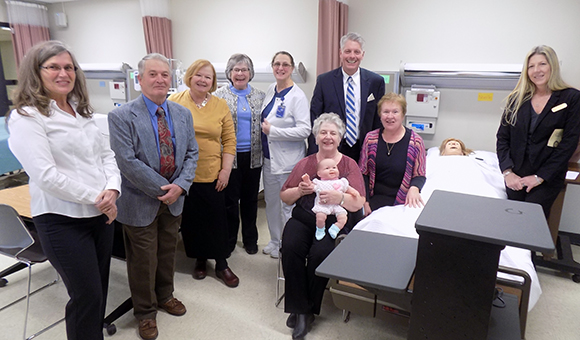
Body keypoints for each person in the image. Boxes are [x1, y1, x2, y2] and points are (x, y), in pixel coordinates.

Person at [7, 40, 121, 340]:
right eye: (54, 67)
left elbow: (107, 156)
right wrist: (98, 199)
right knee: (86, 296)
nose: (63, 73)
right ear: (36, 71)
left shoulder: (81, 112)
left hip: (100, 216)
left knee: (99, 293)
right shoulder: (26, 117)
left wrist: (113, 190)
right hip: (61, 220)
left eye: (68, 67)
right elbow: (45, 175)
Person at [108, 53, 198, 340]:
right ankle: (145, 313)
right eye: (153, 74)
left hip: (175, 199)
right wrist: (165, 190)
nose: (160, 79)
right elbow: (127, 161)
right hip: (139, 200)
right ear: (140, 79)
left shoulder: (182, 113)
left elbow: (192, 153)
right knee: (143, 259)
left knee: (167, 251)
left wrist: (180, 186)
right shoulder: (121, 116)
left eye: (164, 75)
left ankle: (165, 295)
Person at [280, 113, 365, 340]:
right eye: (323, 132)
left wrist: (339, 197)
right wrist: (300, 191)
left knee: (320, 254)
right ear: (316, 137)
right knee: (290, 248)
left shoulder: (349, 165)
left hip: (333, 223)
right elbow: (285, 197)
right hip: (303, 218)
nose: (328, 137)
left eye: (333, 133)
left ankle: (303, 310)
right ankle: (303, 311)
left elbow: (358, 203)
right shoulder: (306, 163)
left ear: (340, 138)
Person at [168, 59, 240, 287]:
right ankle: (199, 259)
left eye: (208, 77)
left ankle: (221, 264)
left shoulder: (220, 105)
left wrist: (225, 170)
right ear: (190, 76)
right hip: (184, 175)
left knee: (217, 219)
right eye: (199, 75)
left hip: (212, 172)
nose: (203, 80)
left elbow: (229, 140)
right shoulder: (174, 101)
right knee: (192, 220)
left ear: (213, 81)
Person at [496, 45, 580, 218]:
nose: (536, 70)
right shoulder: (517, 99)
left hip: (548, 175)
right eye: (531, 66)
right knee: (510, 220)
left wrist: (540, 177)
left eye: (542, 64)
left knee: (531, 220)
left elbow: (569, 143)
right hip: (516, 175)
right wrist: (508, 173)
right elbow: (503, 138)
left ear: (553, 66)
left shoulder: (570, 98)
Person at [261, 51, 311, 259]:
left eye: (285, 65)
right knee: (271, 202)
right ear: (272, 66)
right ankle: (275, 240)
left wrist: (274, 131)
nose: (280, 68)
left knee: (287, 206)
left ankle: (288, 245)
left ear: (292, 68)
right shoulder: (271, 89)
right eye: (277, 64)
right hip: (269, 159)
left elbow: (304, 130)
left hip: (289, 162)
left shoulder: (297, 96)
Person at [214, 54, 266, 255]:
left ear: (250, 73)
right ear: (229, 73)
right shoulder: (219, 96)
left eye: (244, 70)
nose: (240, 73)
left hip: (253, 157)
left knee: (251, 200)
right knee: (230, 202)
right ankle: (229, 241)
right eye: (236, 70)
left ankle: (251, 240)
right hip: (229, 158)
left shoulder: (260, 96)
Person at [308, 32, 386, 162]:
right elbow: (314, 117)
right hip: (332, 147)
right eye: (347, 51)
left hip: (364, 149)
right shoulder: (324, 81)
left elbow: (379, 119)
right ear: (340, 53)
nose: (352, 56)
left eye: (356, 52)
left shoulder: (375, 82)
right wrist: (313, 154)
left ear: (362, 55)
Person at [359, 93, 426, 215]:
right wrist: (365, 201)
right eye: (386, 112)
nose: (390, 116)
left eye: (395, 112)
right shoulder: (371, 138)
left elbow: (419, 175)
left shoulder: (416, 141)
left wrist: (414, 188)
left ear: (403, 114)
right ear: (380, 115)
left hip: (403, 201)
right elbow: (363, 173)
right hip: (373, 200)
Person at [302, 158, 355, 241]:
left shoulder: (341, 182)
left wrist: (355, 193)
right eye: (327, 168)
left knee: (343, 218)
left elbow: (348, 189)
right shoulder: (319, 183)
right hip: (323, 205)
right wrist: (306, 180)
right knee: (320, 217)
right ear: (319, 173)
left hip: (336, 205)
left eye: (334, 167)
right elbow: (310, 186)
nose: (331, 170)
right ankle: (320, 230)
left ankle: (335, 228)